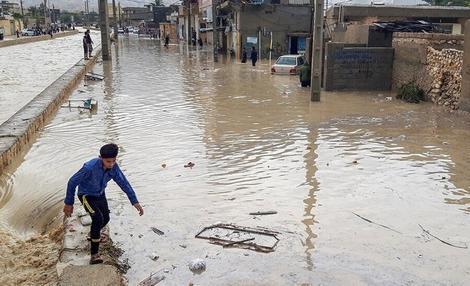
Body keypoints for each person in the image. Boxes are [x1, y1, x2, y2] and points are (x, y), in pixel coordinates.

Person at [63, 143, 144, 265]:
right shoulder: (89, 167)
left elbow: (124, 183)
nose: (111, 164)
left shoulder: (114, 168)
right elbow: (72, 182)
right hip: (86, 195)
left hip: (100, 193)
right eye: (108, 161)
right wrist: (68, 203)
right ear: (100, 158)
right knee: (97, 218)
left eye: (113, 161)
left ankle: (93, 234)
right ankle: (94, 254)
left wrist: (134, 201)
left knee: (105, 218)